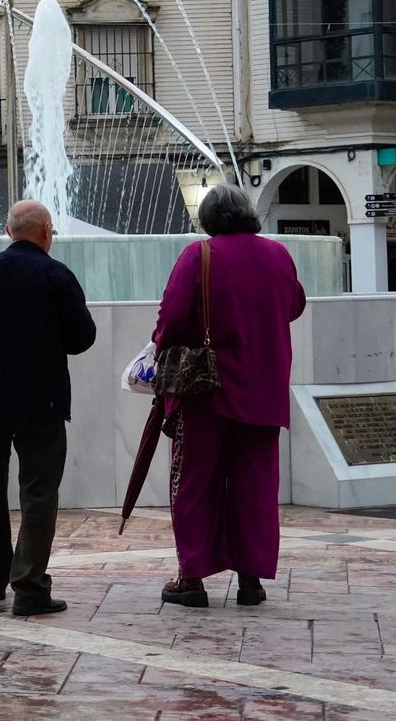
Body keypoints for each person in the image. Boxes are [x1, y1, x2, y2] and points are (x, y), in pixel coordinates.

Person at [152, 183, 306, 608]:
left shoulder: (198, 256)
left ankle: (193, 578)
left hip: (208, 392)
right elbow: (294, 305)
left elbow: (172, 317)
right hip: (264, 388)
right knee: (255, 484)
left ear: (208, 220)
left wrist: (160, 347)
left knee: (194, 481)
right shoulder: (278, 255)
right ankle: (251, 579)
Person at [0, 199, 97, 617]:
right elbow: (83, 337)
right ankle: (29, 586)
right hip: (40, 400)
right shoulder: (55, 275)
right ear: (46, 231)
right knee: (39, 490)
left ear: (9, 232)